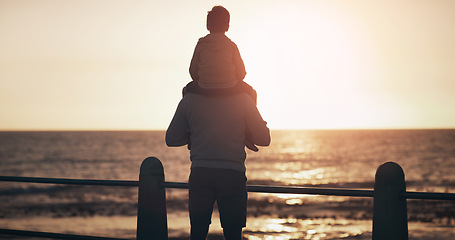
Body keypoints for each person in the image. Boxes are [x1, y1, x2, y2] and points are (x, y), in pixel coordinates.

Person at [166, 89, 270, 239]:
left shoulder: (189, 99)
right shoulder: (244, 99)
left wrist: (194, 135)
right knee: (233, 232)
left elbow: (172, 139)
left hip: (200, 173)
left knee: (198, 231)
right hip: (232, 174)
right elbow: (264, 139)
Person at [183, 5, 259, 152]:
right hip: (229, 86)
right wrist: (233, 81)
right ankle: (250, 132)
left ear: (207, 25)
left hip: (204, 86)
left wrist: (202, 81)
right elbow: (242, 72)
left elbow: (192, 70)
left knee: (185, 90)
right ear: (227, 26)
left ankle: (189, 131)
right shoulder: (231, 45)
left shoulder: (201, 44)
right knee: (252, 92)